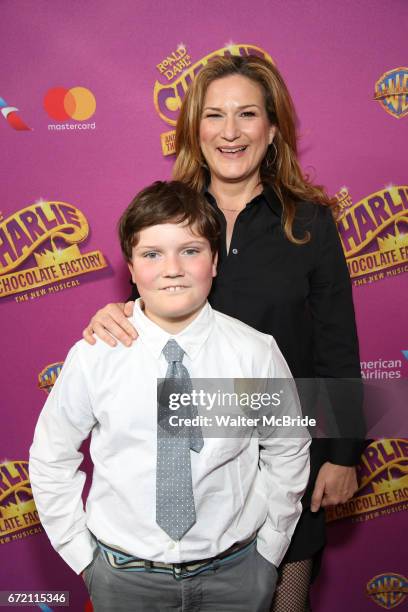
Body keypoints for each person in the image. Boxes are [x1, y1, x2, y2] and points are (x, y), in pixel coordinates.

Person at [82, 56, 364, 611]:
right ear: (195, 129)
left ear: (273, 128)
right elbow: (151, 302)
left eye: (247, 114)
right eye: (215, 115)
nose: (230, 132)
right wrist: (110, 316)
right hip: (187, 455)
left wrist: (343, 453)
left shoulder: (309, 221)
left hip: (286, 453)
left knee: (283, 601)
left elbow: (337, 342)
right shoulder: (169, 213)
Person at [29, 180, 311, 612]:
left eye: (191, 251)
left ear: (214, 261)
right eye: (152, 254)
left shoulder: (254, 353)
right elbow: (52, 454)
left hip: (235, 576)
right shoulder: (95, 356)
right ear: (132, 267)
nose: (172, 268)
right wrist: (84, 559)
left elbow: (287, 448)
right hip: (123, 579)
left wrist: (269, 550)